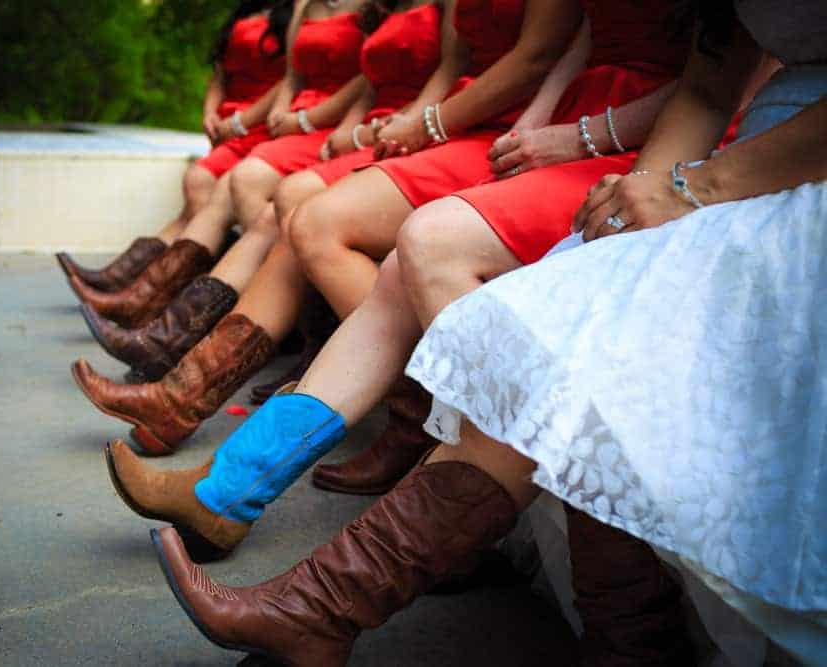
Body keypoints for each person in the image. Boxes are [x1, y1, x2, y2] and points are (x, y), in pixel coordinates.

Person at [156, 1, 827, 664]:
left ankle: (315, 586)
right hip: (684, 159)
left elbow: (541, 56)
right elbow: (706, 86)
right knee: (347, 233)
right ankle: (270, 531)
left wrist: (680, 183)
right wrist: (648, 196)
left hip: (781, 168)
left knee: (488, 293)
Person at [99, 0, 694, 558]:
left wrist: (574, 137)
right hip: (549, 123)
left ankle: (411, 474)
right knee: (362, 251)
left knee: (384, 235)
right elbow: (575, 47)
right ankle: (224, 486)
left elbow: (707, 81)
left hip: (659, 145)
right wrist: (539, 129)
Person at [72, 0, 589, 456]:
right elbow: (453, 66)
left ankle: (407, 409)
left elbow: (540, 55)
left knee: (307, 213)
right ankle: (179, 390)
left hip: (508, 127)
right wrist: (417, 122)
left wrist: (425, 124)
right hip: (452, 122)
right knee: (293, 213)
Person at [77, 1, 451, 385]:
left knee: (276, 202)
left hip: (405, 129)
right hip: (352, 127)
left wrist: (324, 123)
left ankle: (189, 342)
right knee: (249, 201)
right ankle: (171, 345)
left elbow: (435, 74)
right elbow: (346, 80)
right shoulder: (350, 8)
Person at [68, 0, 366, 331]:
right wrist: (271, 115)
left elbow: (361, 77)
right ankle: (150, 309)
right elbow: (283, 77)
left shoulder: (366, 9)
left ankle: (166, 313)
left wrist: (280, 121)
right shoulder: (296, 8)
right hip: (288, 121)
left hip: (332, 126)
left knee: (237, 187)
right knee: (210, 185)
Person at [55, 0, 292, 293]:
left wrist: (243, 121)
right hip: (229, 126)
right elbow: (219, 75)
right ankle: (136, 286)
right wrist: (210, 114)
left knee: (203, 198)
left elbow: (290, 83)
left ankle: (150, 291)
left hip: (265, 125)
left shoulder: (295, 14)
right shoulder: (244, 13)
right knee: (197, 185)